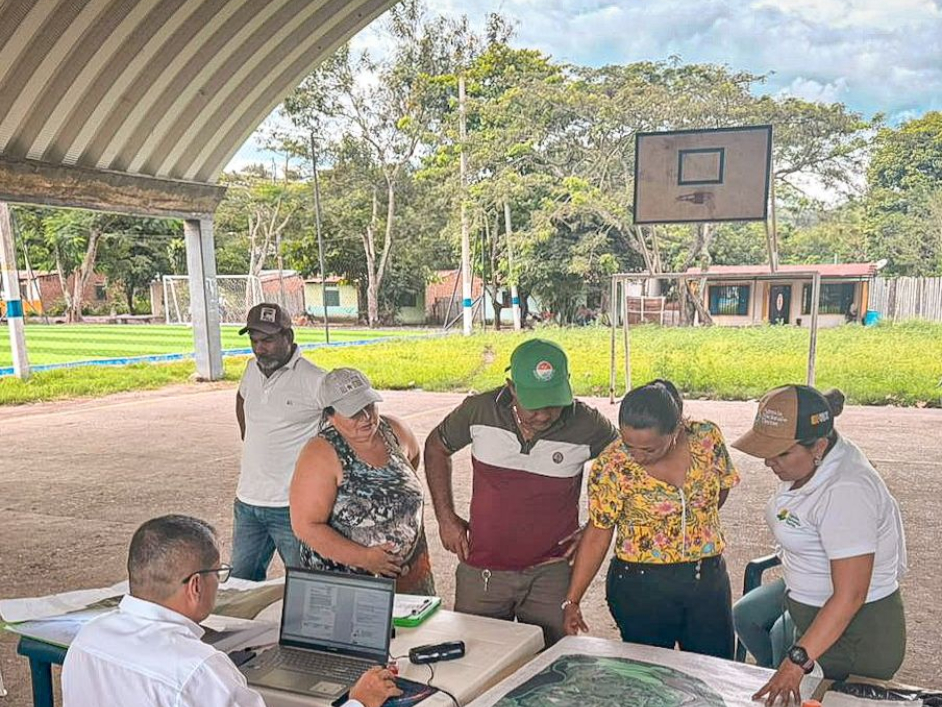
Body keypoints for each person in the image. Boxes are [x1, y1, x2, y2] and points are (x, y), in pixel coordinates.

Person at [62, 514, 401, 707]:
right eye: (218, 574)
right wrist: (358, 701)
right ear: (196, 585)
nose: (219, 584)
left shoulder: (87, 640)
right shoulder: (198, 668)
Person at [425, 339, 618, 645]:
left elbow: (628, 465)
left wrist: (596, 525)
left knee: (552, 662)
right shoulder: (478, 411)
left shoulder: (587, 423)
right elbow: (436, 447)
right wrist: (445, 517)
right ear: (511, 388)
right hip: (483, 570)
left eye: (554, 403)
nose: (544, 415)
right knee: (478, 659)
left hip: (551, 572)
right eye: (534, 405)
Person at [732, 385, 906, 705]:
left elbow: (850, 595)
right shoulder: (816, 459)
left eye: (782, 453)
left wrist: (796, 661)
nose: (770, 462)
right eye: (767, 450)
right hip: (806, 593)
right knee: (747, 616)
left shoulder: (846, 490)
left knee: (806, 690)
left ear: (820, 445)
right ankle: (777, 668)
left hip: (858, 631)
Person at [562, 379, 740, 659]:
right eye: (629, 444)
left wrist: (693, 523)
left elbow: (721, 488)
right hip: (641, 588)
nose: (637, 456)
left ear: (677, 428)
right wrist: (573, 600)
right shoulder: (611, 464)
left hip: (707, 580)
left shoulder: (707, 438)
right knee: (652, 677)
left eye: (649, 450)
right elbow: (599, 531)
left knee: (714, 670)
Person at [291, 368, 435, 595]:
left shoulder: (395, 430)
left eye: (369, 406)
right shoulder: (320, 453)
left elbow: (412, 463)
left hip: (409, 575)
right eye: (354, 412)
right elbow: (306, 526)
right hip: (347, 587)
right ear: (330, 414)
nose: (367, 417)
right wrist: (365, 558)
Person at [233, 302, 326, 580]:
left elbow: (346, 420)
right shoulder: (251, 369)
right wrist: (247, 435)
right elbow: (242, 398)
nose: (260, 348)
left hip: (293, 508)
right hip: (248, 503)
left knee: (307, 586)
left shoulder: (314, 379)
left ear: (289, 337)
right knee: (238, 585)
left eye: (268, 340)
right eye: (254, 340)